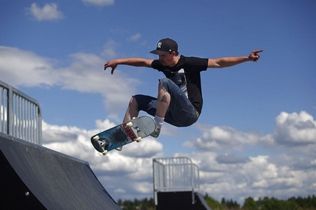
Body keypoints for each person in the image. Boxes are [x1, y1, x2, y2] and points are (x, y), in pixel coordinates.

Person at [104, 38, 262, 138]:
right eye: (158, 56)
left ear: (173, 53)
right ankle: (123, 134)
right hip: (171, 114)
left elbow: (218, 62)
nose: (160, 59)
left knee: (164, 82)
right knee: (135, 100)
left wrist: (246, 58)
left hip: (190, 113)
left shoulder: (190, 63)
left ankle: (157, 126)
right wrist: (119, 60)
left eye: (163, 55)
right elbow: (143, 62)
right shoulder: (162, 63)